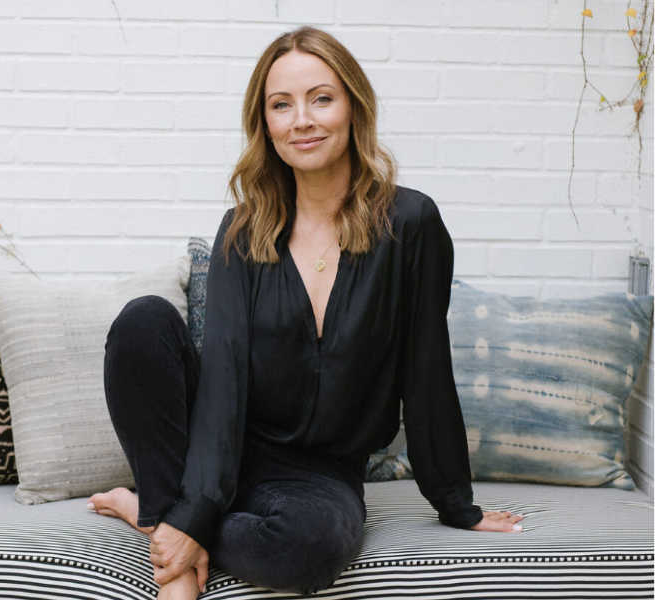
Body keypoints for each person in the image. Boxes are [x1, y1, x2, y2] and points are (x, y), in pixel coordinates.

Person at [89, 25, 525, 600]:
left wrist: (456, 504)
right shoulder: (243, 231)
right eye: (281, 105)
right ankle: (179, 517)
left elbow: (425, 369)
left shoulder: (411, 225)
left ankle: (156, 511)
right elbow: (221, 377)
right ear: (265, 124)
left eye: (321, 98)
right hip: (220, 443)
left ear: (353, 107)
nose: (302, 120)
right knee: (143, 321)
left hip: (318, 476)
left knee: (305, 550)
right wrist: (200, 504)